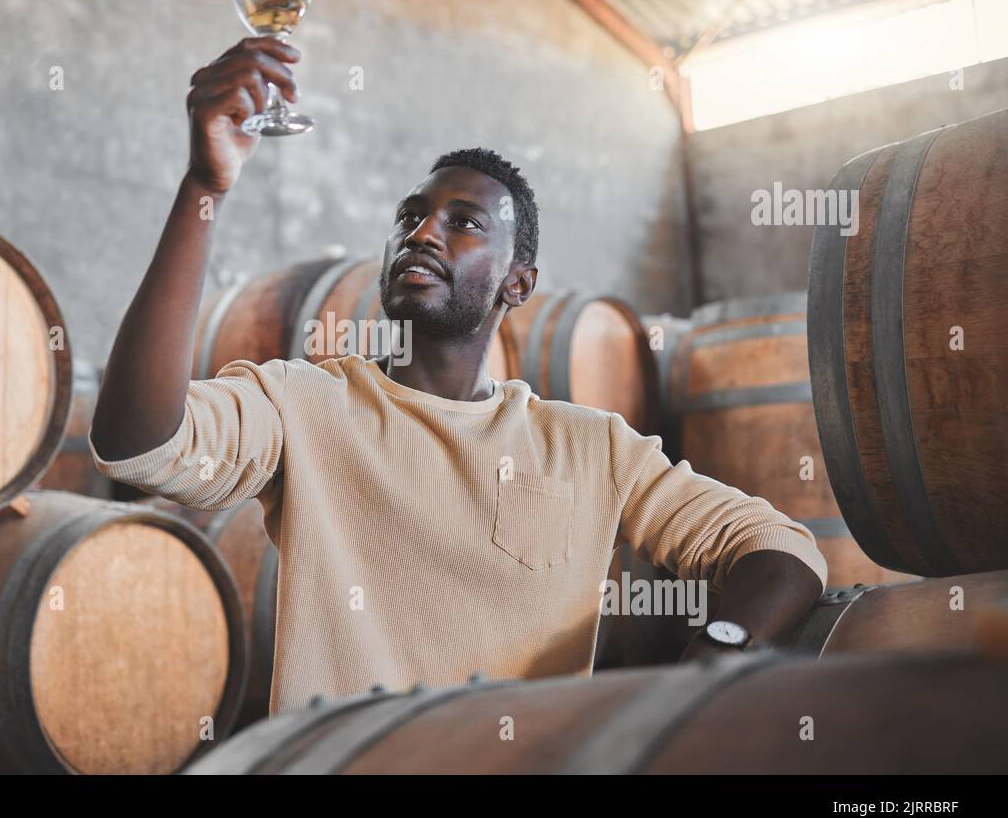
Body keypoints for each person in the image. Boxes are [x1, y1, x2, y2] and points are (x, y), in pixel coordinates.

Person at [90, 36, 827, 715]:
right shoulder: (304, 406)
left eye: (464, 221)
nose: (422, 233)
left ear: (517, 283)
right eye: (410, 217)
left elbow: (783, 548)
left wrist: (713, 658)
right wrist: (203, 185)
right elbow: (138, 442)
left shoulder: (591, 446)